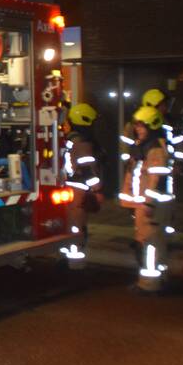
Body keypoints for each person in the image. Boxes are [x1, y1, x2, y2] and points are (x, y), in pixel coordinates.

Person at [119, 105, 174, 293]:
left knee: (149, 243)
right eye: (137, 126)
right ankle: (161, 278)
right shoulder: (144, 148)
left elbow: (155, 179)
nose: (138, 129)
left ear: (152, 127)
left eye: (142, 126)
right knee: (154, 241)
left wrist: (149, 202)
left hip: (151, 204)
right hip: (145, 202)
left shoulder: (154, 150)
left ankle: (148, 284)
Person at [61, 103, 105, 268]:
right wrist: (98, 189)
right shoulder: (82, 143)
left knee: (70, 225)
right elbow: (88, 171)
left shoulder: (69, 139)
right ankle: (75, 265)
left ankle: (66, 260)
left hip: (68, 187)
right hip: (78, 189)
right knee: (77, 226)